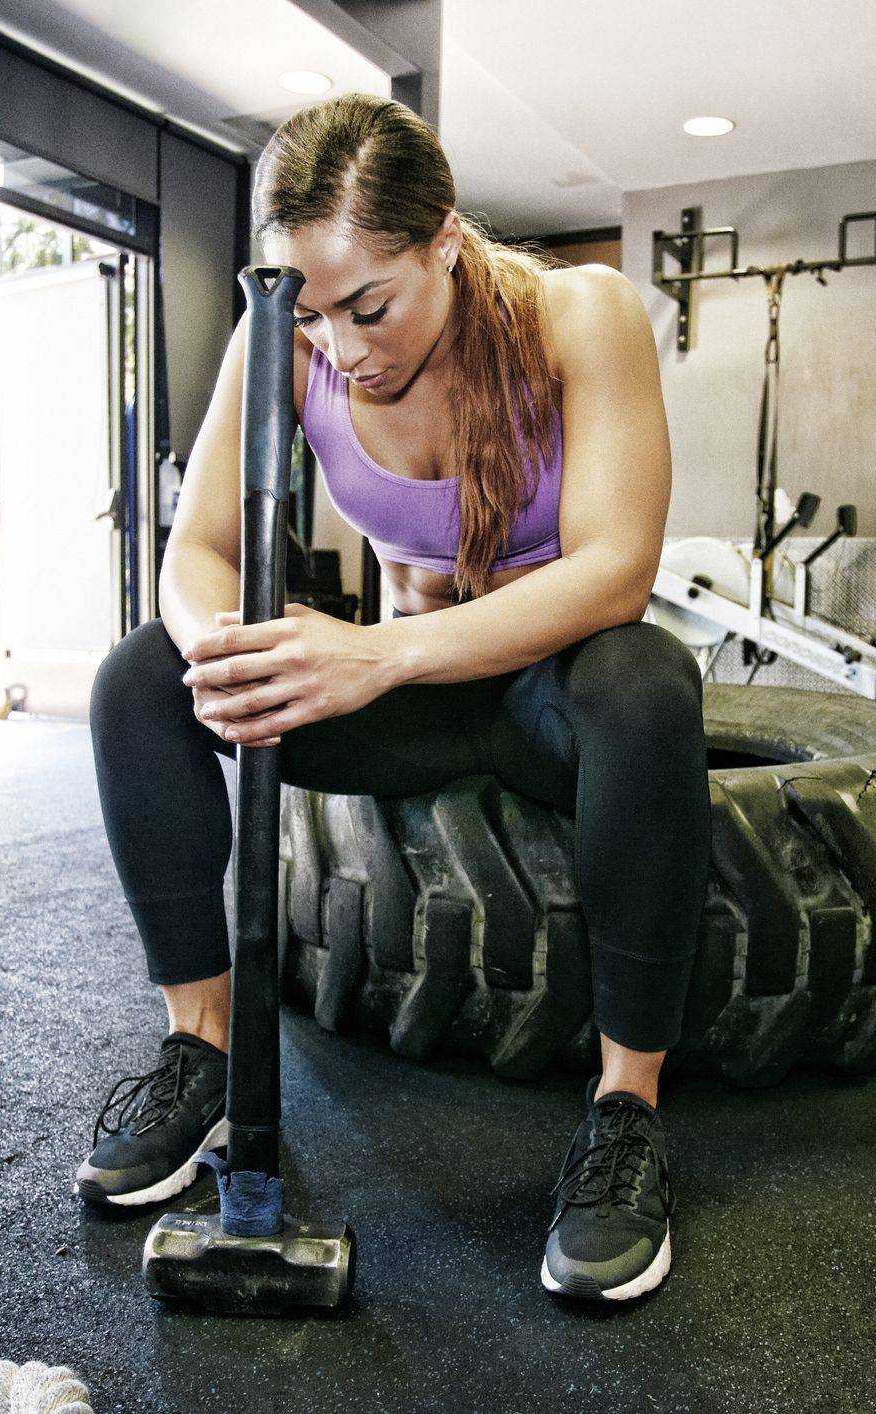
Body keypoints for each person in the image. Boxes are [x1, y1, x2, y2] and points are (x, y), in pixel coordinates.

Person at [79, 93, 708, 1303]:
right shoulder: (284, 349)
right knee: (140, 674)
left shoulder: (582, 312)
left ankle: (626, 1111)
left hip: (542, 695)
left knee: (647, 681)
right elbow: (194, 553)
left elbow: (615, 567)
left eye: (370, 304)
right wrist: (231, 655)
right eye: (312, 314)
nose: (345, 345)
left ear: (447, 243)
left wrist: (376, 654)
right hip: (403, 692)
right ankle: (199, 1050)